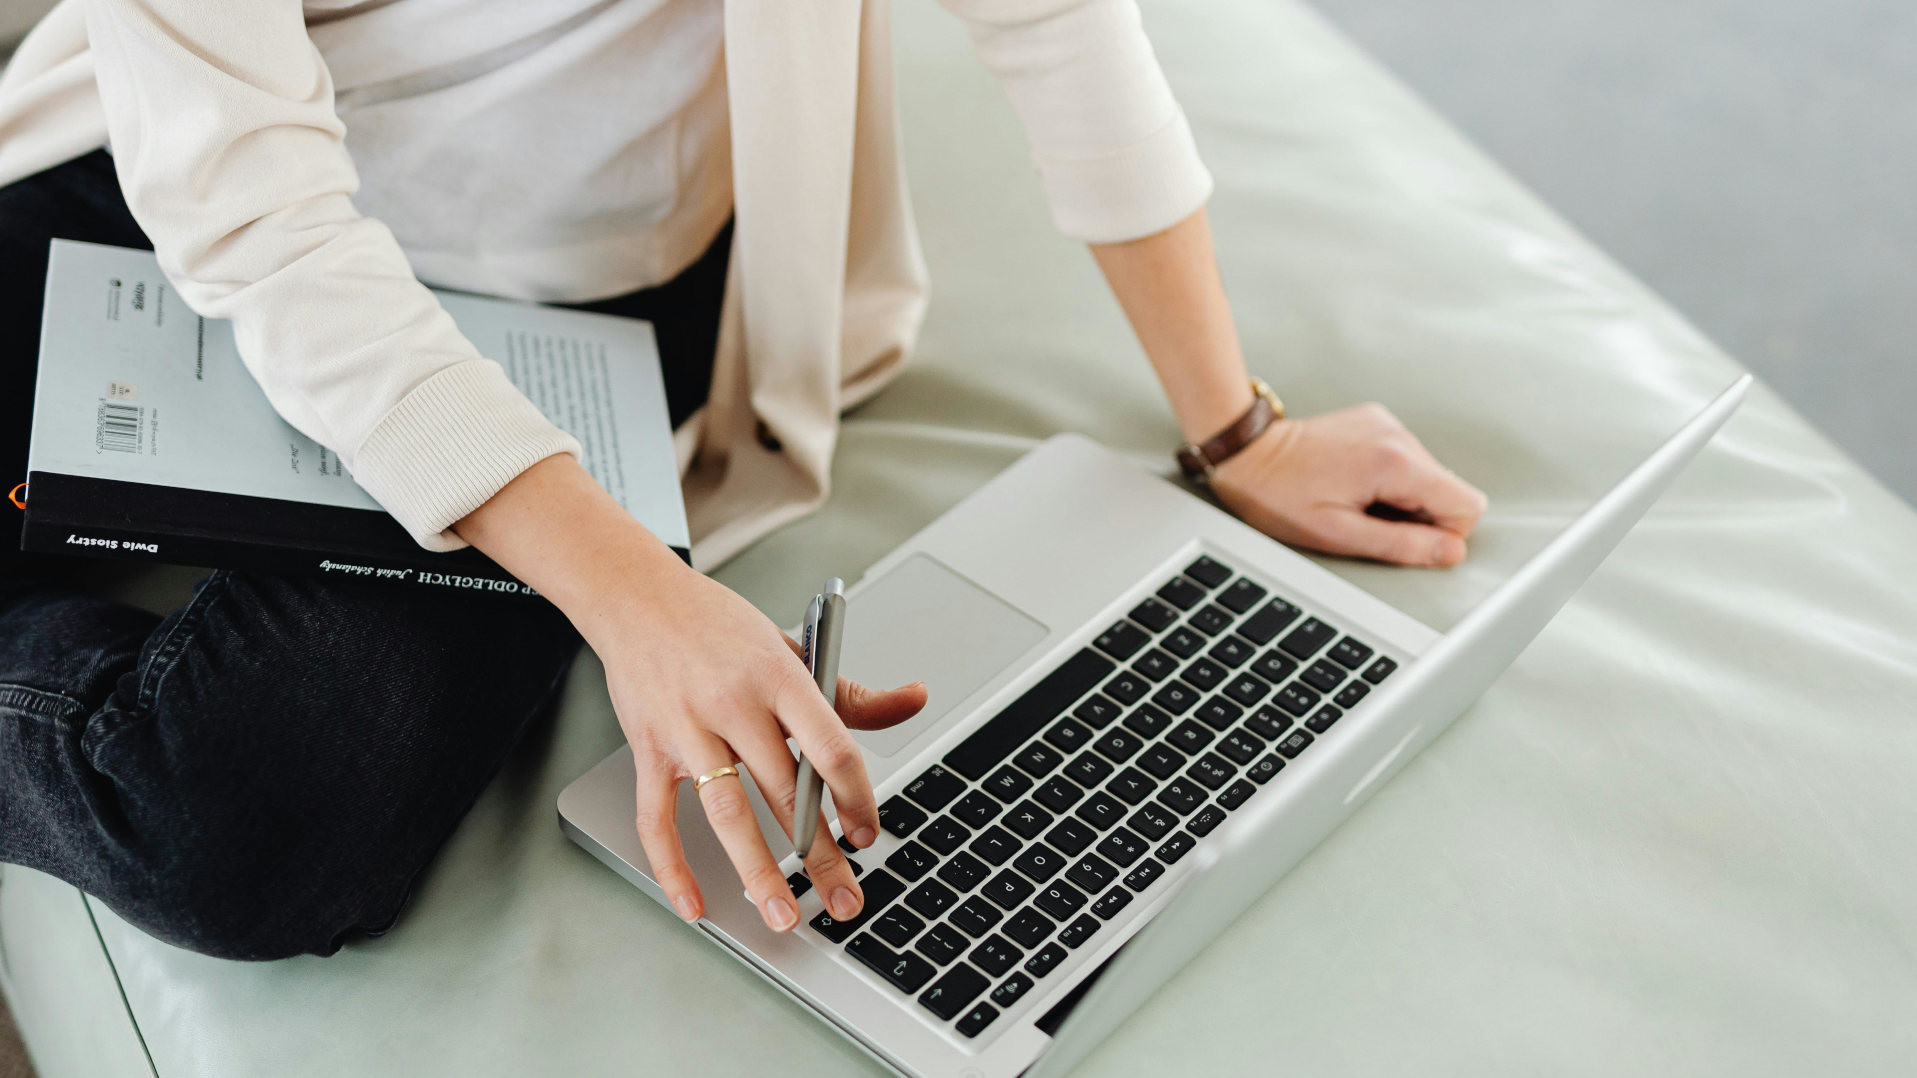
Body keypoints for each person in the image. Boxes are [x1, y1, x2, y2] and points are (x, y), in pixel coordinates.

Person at [0, 0, 1487, 961]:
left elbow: (1054, 18)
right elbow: (257, 216)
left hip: (556, 304)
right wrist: (638, 596)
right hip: (163, 196)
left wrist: (1238, 430)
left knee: (241, 820)